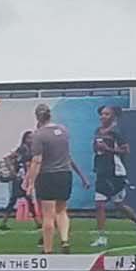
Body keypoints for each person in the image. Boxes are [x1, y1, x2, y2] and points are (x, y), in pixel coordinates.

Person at [29, 101, 93, 254]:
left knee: (48, 215)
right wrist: (82, 176)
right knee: (62, 210)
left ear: (37, 117)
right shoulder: (63, 130)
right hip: (65, 174)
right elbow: (68, 156)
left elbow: (37, 160)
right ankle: (65, 240)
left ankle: (48, 249)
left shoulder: (38, 135)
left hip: (48, 176)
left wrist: (31, 182)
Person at [91, 103, 136, 246]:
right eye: (102, 114)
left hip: (115, 172)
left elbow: (126, 150)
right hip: (102, 171)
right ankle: (102, 237)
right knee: (99, 204)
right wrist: (97, 148)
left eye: (107, 114)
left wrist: (108, 149)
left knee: (118, 204)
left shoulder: (116, 132)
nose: (103, 117)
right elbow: (97, 149)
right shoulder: (98, 130)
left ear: (113, 116)